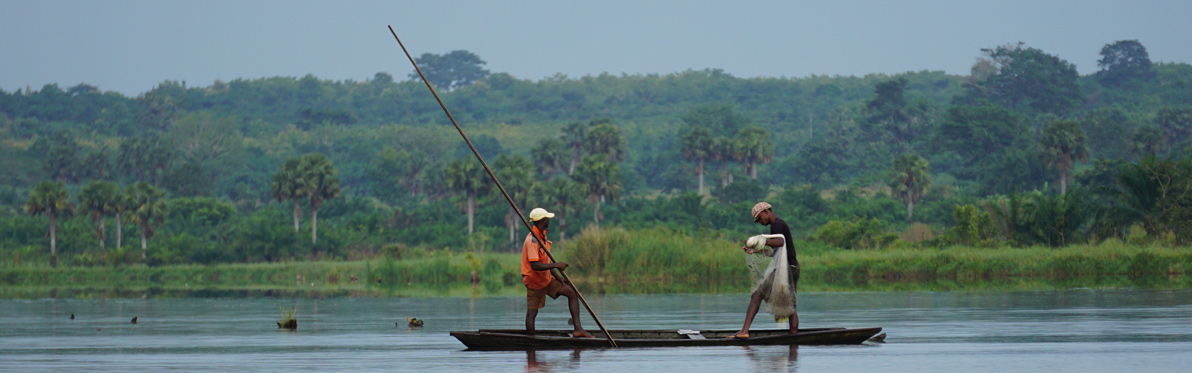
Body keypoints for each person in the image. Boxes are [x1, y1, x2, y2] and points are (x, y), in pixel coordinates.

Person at [729, 202, 799, 339]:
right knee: (790, 304)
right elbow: (775, 252)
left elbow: (780, 242)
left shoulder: (777, 224)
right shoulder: (779, 224)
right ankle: (794, 338)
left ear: (766, 211)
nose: (760, 222)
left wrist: (759, 240)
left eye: (759, 218)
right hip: (793, 268)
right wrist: (755, 250)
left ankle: (744, 331)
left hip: (786, 269)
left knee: (757, 295)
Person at [522, 207, 593, 338]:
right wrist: (557, 264)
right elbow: (535, 265)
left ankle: (578, 329)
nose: (549, 220)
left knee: (571, 293)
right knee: (532, 313)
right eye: (547, 218)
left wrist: (558, 277)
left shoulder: (541, 237)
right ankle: (531, 343)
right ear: (543, 220)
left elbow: (545, 261)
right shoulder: (532, 240)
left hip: (546, 279)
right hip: (534, 281)